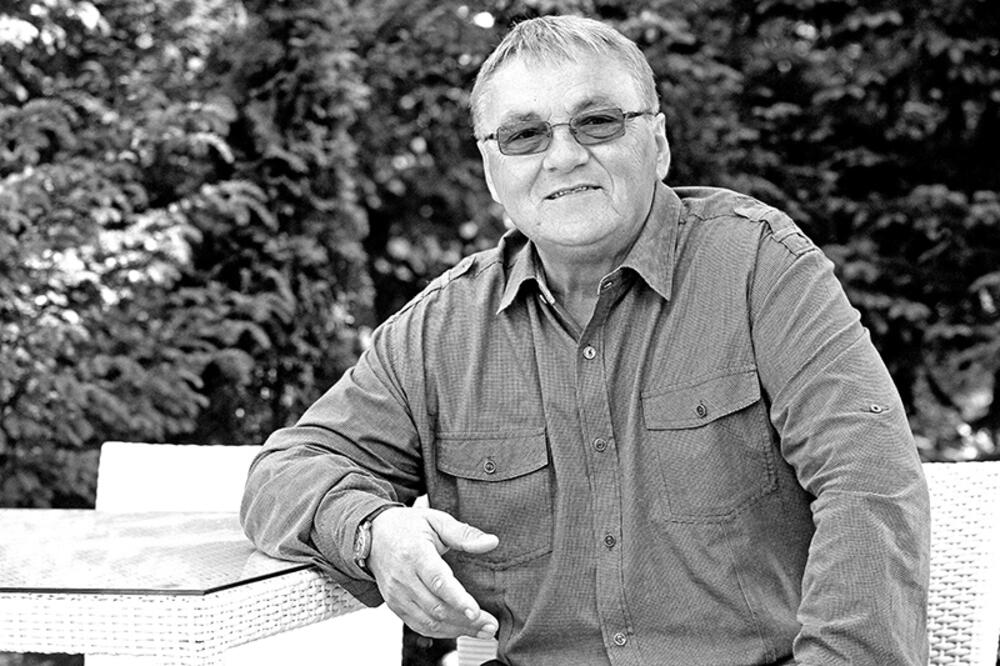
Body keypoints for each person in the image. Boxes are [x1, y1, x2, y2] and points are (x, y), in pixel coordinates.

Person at [241, 15, 930, 666]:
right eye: (524, 136)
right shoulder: (439, 332)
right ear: (492, 171)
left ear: (658, 143)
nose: (564, 157)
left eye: (598, 122)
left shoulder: (758, 267)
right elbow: (287, 471)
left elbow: (868, 481)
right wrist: (375, 531)